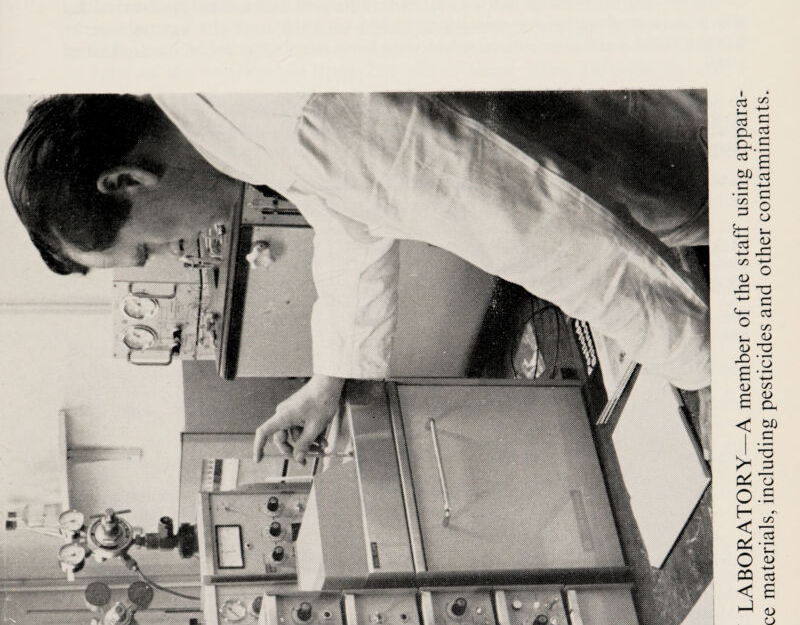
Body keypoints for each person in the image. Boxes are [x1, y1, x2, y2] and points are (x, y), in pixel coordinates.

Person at [5, 91, 710, 462]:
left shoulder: (295, 118)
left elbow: (546, 226)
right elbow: (348, 216)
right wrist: (332, 374)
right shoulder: (214, 109)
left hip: (668, 139)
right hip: (634, 160)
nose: (173, 250)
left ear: (127, 180)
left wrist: (709, 359)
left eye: (144, 249)